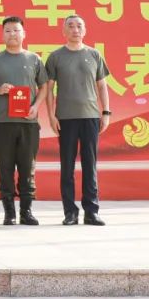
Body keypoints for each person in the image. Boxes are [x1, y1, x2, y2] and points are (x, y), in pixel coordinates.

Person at [0, 16, 48, 226]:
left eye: (16, 30)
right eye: (8, 31)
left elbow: (44, 87)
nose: (12, 34)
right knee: (5, 167)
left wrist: (36, 107)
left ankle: (26, 211)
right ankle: (9, 212)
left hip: (28, 122)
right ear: (2, 35)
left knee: (28, 167)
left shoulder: (34, 59)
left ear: (23, 34)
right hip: (2, 122)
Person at [45, 14, 111, 226]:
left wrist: (106, 112)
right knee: (67, 166)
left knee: (90, 165)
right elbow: (49, 90)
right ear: (64, 31)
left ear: (85, 30)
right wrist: (51, 116)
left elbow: (102, 85)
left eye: (79, 26)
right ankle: (70, 212)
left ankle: (91, 211)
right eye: (71, 26)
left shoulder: (94, 54)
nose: (75, 30)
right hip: (65, 118)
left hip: (90, 116)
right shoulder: (56, 57)